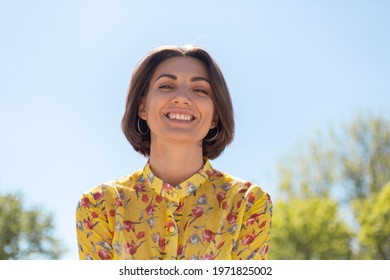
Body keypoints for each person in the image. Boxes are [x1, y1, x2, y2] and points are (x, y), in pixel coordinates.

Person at [75, 45, 272, 260]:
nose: (182, 98)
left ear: (215, 115)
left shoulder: (248, 202)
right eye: (167, 86)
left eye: (200, 90)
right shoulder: (100, 204)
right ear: (142, 108)